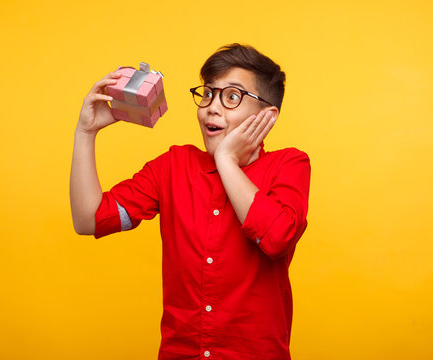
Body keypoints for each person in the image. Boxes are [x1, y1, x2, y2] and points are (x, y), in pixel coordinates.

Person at [70, 43, 311, 360]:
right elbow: (90, 220)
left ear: (266, 116)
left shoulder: (289, 165)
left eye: (232, 97)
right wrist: (86, 132)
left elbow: (276, 237)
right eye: (208, 94)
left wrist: (226, 159)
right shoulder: (173, 166)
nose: (212, 107)